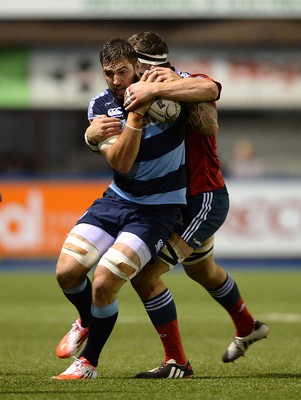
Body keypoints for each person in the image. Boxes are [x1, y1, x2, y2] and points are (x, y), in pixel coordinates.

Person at [53, 38, 218, 380]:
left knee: (104, 282)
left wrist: (163, 92)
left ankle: (88, 363)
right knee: (67, 272)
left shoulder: (162, 84)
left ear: (137, 68)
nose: (115, 80)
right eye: (109, 73)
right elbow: (123, 164)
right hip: (118, 198)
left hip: (158, 208)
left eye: (123, 72)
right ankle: (86, 319)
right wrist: (135, 114)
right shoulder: (99, 106)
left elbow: (209, 87)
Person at [123, 32, 269, 377]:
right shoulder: (131, 92)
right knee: (202, 270)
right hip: (168, 200)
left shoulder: (186, 81)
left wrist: (156, 89)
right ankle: (248, 326)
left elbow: (212, 89)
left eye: (132, 65)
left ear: (144, 64)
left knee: (146, 276)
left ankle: (177, 363)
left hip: (200, 199)